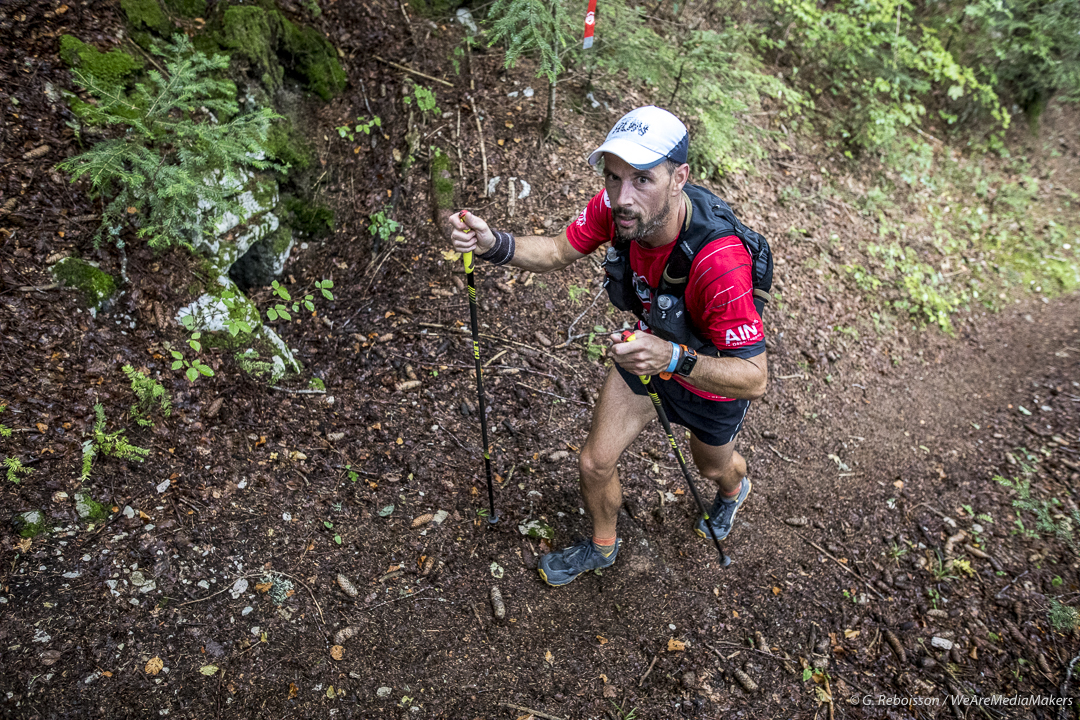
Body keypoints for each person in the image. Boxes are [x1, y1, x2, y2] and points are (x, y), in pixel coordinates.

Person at [449, 106, 768, 586]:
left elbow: (755, 378)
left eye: (642, 179)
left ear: (679, 177)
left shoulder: (720, 262)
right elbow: (558, 250)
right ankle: (602, 546)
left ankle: (734, 489)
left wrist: (674, 357)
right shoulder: (618, 209)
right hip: (647, 353)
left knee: (711, 466)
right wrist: (494, 243)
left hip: (709, 381)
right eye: (613, 177)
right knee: (595, 461)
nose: (622, 197)